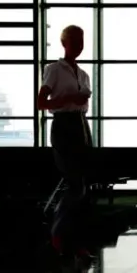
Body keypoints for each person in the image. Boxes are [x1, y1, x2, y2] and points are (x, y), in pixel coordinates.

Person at [37, 25, 92, 256]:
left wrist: (80, 100)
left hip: (81, 125)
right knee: (75, 184)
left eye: (81, 41)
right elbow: (41, 103)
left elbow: (83, 103)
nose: (79, 45)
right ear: (64, 43)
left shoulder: (83, 74)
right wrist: (69, 98)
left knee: (82, 185)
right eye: (74, 41)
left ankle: (74, 241)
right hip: (64, 126)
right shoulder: (54, 69)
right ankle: (58, 234)